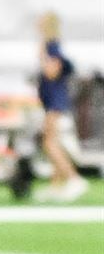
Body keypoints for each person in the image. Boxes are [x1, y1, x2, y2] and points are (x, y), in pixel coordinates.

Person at [34, 11, 87, 203]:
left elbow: (52, 72)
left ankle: (74, 178)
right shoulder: (51, 45)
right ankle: (56, 186)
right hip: (52, 101)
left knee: (49, 143)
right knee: (55, 142)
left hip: (56, 103)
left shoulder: (51, 46)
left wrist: (41, 56)